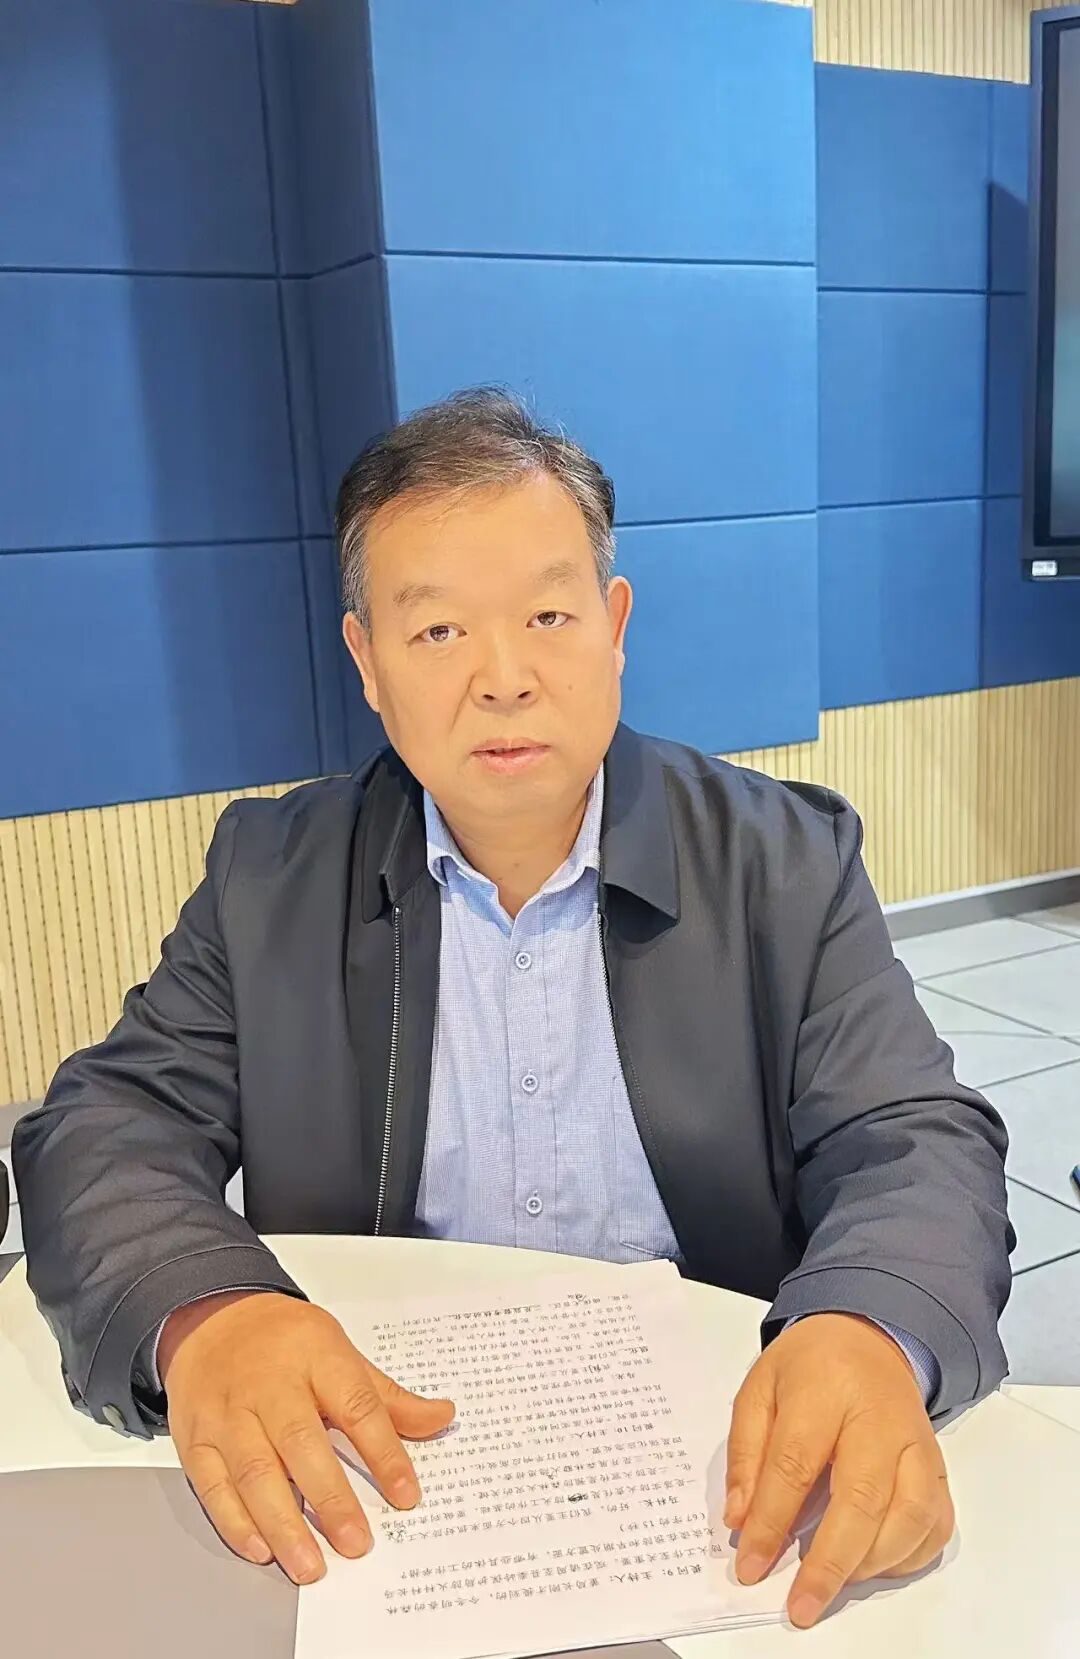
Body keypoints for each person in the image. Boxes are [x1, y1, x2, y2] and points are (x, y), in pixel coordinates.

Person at [13, 389, 1012, 1632]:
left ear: (614, 625)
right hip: (384, 1455)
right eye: (437, 631)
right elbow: (106, 1125)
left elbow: (915, 1136)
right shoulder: (271, 875)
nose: (502, 680)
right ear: (367, 662)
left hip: (711, 1463)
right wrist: (210, 1313)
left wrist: (868, 1321)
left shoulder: (783, 861)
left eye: (548, 616)